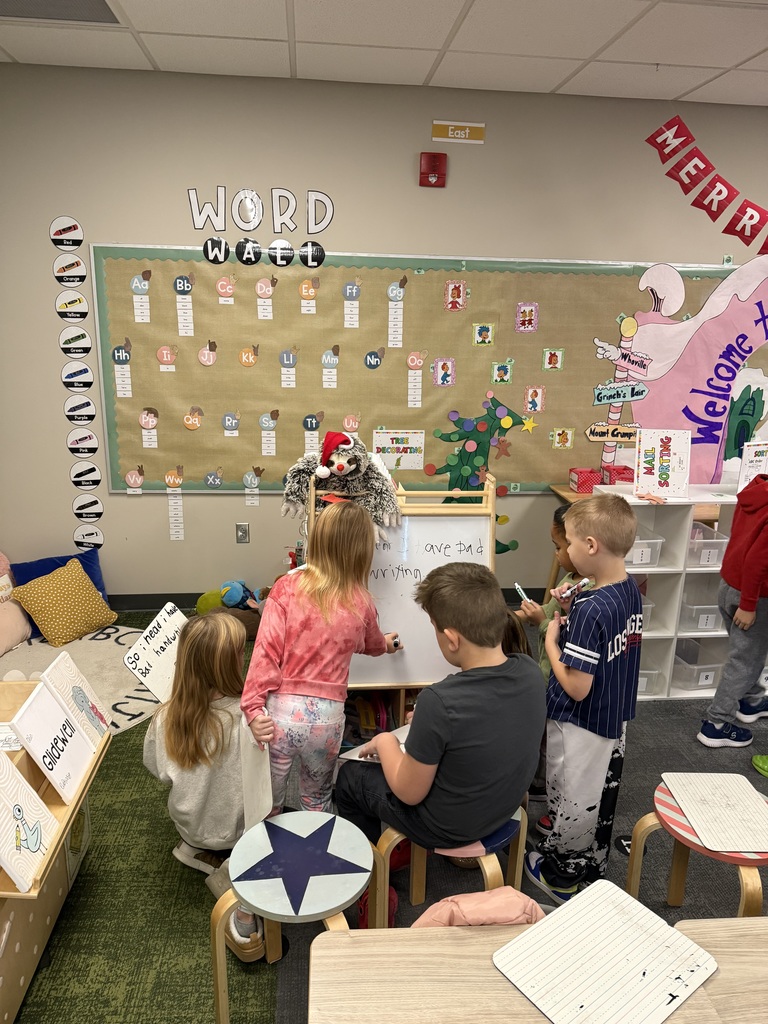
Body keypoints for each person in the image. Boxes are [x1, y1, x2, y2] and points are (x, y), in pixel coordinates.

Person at [335, 562, 545, 852]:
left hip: (448, 827)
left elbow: (409, 793)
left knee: (349, 779)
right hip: (503, 808)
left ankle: (370, 876)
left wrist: (385, 743)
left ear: (451, 639)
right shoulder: (530, 671)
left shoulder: (439, 700)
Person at [242, 500, 401, 815]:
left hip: (280, 715)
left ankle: (267, 857)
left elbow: (264, 653)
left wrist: (252, 709)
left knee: (266, 802)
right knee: (316, 800)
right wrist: (386, 645)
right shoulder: (361, 600)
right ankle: (315, 858)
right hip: (327, 718)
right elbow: (369, 644)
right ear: (362, 551)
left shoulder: (286, 587)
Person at [524, 494, 642, 904]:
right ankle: (592, 864)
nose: (567, 551)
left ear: (591, 546)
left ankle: (561, 876)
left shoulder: (593, 608)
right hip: (613, 715)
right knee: (598, 793)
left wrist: (554, 641)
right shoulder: (627, 589)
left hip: (580, 719)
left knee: (571, 793)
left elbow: (576, 685)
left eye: (570, 543)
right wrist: (574, 608)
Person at [143, 612, 262, 956]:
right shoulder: (246, 717)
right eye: (241, 652)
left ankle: (198, 850)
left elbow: (156, 768)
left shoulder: (165, 717)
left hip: (189, 826)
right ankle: (236, 882)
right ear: (228, 665)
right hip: (240, 831)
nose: (246, 656)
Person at [516, 504, 590, 802]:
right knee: (543, 728)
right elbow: (551, 610)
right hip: (548, 670)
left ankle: (547, 785)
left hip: (563, 674)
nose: (556, 554)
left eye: (559, 546)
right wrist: (527, 615)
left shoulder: (587, 590)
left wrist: (541, 622)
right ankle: (539, 779)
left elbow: (563, 629)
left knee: (553, 735)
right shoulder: (569, 578)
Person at [697, 473, 768, 747]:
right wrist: (749, 604)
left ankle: (751, 701)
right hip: (753, 597)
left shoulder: (756, 492)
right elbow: (757, 562)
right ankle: (716, 723)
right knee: (745, 661)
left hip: (730, 587)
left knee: (749, 652)